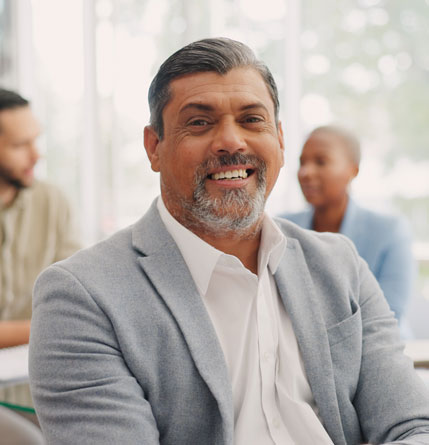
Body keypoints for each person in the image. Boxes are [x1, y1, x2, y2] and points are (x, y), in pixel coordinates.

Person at [29, 38, 429, 445]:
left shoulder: (340, 264)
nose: (231, 142)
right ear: (154, 148)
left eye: (252, 119)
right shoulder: (81, 296)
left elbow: (413, 425)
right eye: (200, 123)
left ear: (281, 141)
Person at [280, 125, 415, 323]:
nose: (305, 172)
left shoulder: (389, 231)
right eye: (302, 163)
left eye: (321, 161)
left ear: (352, 171)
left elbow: (390, 313)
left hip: (374, 349)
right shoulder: (283, 227)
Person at [0, 86, 81, 352]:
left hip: (36, 378)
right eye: (19, 145)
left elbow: (77, 301)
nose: (36, 155)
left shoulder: (52, 201)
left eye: (35, 140)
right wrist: (47, 326)